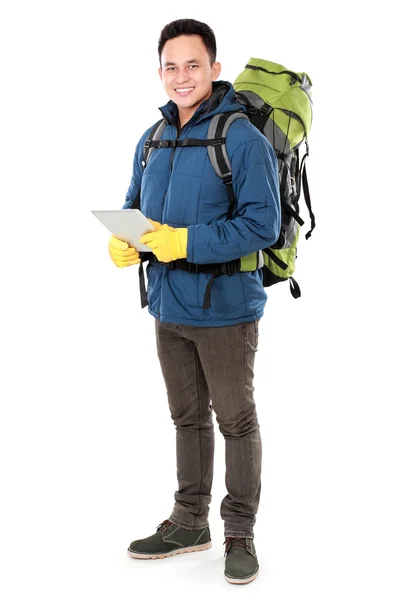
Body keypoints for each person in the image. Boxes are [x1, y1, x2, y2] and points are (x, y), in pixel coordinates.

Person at [108, 18, 280, 585]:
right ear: (160, 72)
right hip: (168, 306)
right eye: (171, 66)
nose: (181, 76)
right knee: (186, 418)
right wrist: (126, 241)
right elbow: (135, 206)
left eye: (193, 65)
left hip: (227, 307)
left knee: (235, 420)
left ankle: (239, 532)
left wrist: (187, 241)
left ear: (215, 69)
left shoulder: (241, 137)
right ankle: (189, 521)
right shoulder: (152, 138)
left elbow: (263, 225)